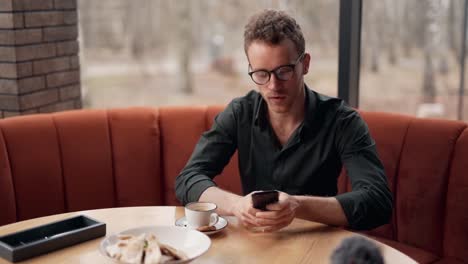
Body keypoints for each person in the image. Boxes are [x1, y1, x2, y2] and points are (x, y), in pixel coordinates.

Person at [175, 9, 392, 231]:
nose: (273, 86)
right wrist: (237, 205)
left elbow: (378, 202)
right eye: (261, 74)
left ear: (305, 64)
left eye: (283, 71)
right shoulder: (240, 112)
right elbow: (188, 179)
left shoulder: (342, 120)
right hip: (256, 244)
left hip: (318, 242)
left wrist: (297, 205)